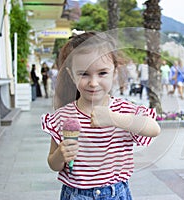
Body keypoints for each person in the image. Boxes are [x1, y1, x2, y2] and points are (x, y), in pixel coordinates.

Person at [41, 31, 160, 200]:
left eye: (102, 73)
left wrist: (113, 118)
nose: (93, 82)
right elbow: (53, 164)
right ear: (71, 75)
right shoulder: (63, 116)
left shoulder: (123, 110)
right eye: (84, 74)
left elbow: (154, 128)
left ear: (115, 72)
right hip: (75, 194)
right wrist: (61, 154)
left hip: (116, 193)